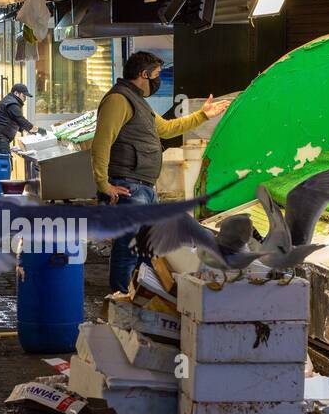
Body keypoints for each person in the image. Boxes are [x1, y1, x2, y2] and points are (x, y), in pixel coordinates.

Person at [93, 51, 230, 294]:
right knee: (128, 249)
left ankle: (139, 301)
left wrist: (202, 115)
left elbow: (166, 129)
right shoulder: (118, 100)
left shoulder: (138, 102)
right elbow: (102, 142)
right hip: (127, 186)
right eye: (157, 75)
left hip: (143, 187)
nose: (158, 81)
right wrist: (104, 184)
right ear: (143, 75)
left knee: (146, 250)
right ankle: (119, 304)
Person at [0, 84, 38, 155]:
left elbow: (13, 121)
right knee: (3, 164)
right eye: (24, 96)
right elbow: (21, 120)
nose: (25, 99)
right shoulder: (12, 104)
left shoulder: (8, 101)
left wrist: (25, 130)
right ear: (16, 93)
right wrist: (37, 130)